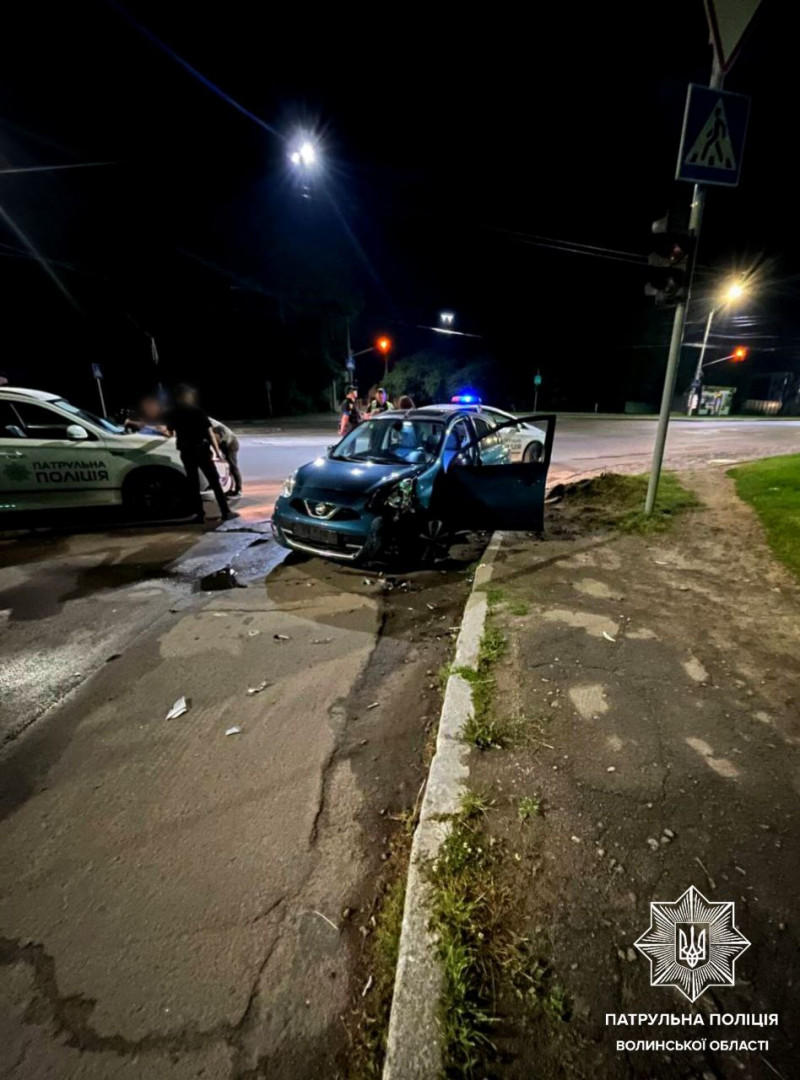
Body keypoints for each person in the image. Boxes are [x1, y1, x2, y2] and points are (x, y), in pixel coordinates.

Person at [165, 385, 237, 523]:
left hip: (186, 451)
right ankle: (225, 511)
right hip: (201, 450)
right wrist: (217, 451)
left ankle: (199, 515)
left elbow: (170, 432)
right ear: (186, 396)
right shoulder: (197, 411)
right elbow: (209, 433)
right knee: (214, 481)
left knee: (193, 483)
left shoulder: (174, 413)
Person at [209, 416, 242, 497]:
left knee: (232, 466)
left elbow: (213, 437)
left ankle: (238, 490)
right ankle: (227, 489)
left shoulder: (206, 422)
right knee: (224, 466)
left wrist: (216, 452)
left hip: (230, 443)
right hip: (222, 442)